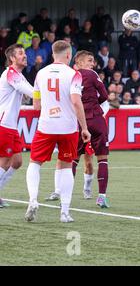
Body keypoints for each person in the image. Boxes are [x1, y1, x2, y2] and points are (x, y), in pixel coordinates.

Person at [25, 40, 91, 223]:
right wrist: (84, 128)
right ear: (68, 55)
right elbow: (77, 102)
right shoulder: (74, 74)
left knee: (34, 163)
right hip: (68, 127)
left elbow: (36, 105)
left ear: (53, 54)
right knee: (66, 165)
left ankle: (33, 200)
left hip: (46, 125)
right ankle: (64, 212)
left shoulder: (40, 73)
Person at [45, 51, 110, 208]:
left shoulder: (70, 75)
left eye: (92, 61)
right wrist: (94, 102)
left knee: (72, 159)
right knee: (102, 159)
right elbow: (105, 95)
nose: (92, 64)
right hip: (96, 118)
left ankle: (64, 196)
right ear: (79, 63)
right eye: (89, 60)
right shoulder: (92, 74)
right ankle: (101, 196)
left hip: (78, 121)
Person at [0, 44, 34, 207]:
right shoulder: (11, 74)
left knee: (17, 161)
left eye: (25, 53)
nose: (25, 55)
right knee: (5, 161)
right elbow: (30, 91)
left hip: (11, 125)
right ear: (12, 58)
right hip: (3, 123)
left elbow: (29, 91)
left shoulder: (19, 75)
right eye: (21, 53)